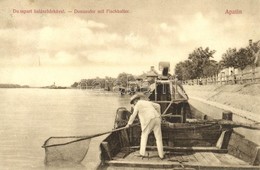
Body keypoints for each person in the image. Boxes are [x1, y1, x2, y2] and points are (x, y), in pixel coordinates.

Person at [125, 93, 164, 159]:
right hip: (157, 118)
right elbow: (158, 106)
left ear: (135, 100)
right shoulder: (147, 102)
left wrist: (128, 124)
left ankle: (142, 153)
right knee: (158, 138)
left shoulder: (137, 104)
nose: (133, 104)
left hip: (149, 120)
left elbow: (133, 115)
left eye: (133, 102)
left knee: (144, 135)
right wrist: (159, 115)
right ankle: (161, 155)